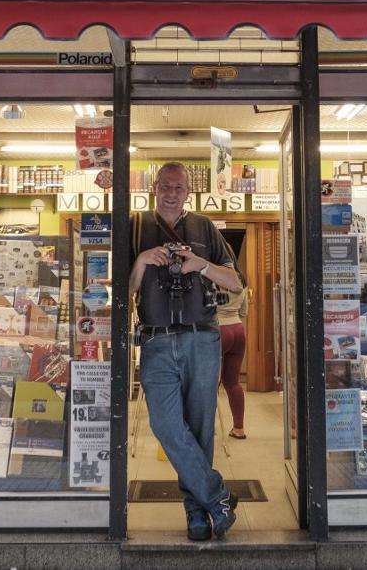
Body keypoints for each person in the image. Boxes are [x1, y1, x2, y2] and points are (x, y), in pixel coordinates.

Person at [129, 162, 243, 541]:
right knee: (164, 424)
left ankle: (197, 513)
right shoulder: (135, 225)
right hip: (156, 339)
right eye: (165, 185)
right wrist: (143, 260)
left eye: (178, 187)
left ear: (188, 193)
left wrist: (201, 265)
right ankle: (217, 495)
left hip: (202, 338)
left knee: (200, 427)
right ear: (154, 188)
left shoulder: (205, 228)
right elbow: (124, 289)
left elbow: (236, 283)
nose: (171, 192)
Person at [217, 254, 250, 440]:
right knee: (233, 382)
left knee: (208, 383)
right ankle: (239, 428)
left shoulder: (212, 276)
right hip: (238, 330)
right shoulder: (241, 280)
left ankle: (207, 427)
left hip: (217, 329)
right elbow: (244, 311)